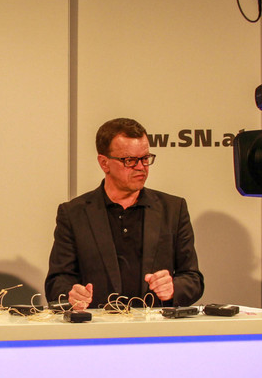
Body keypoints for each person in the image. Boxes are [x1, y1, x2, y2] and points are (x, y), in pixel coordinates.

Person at [45, 117, 204, 310]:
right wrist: (72, 294)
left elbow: (193, 279)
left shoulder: (173, 209)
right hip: (97, 325)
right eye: (130, 160)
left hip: (154, 325)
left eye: (145, 158)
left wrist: (173, 288)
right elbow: (57, 282)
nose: (141, 167)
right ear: (104, 163)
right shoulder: (73, 214)